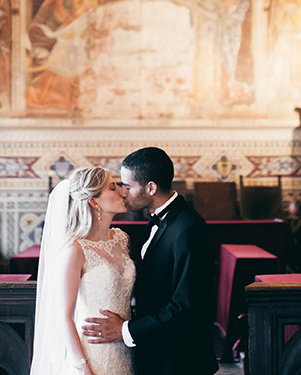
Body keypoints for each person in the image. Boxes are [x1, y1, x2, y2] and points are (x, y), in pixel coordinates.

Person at [83, 147, 218, 375]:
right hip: (155, 353)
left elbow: (186, 306)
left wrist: (125, 330)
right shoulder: (156, 218)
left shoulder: (189, 228)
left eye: (128, 186)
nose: (123, 192)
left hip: (181, 360)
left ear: (151, 187)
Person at [31, 167, 134, 375]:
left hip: (124, 345)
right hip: (93, 353)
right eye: (112, 188)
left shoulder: (122, 239)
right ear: (94, 201)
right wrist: (83, 367)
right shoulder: (74, 250)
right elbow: (64, 316)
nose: (122, 191)